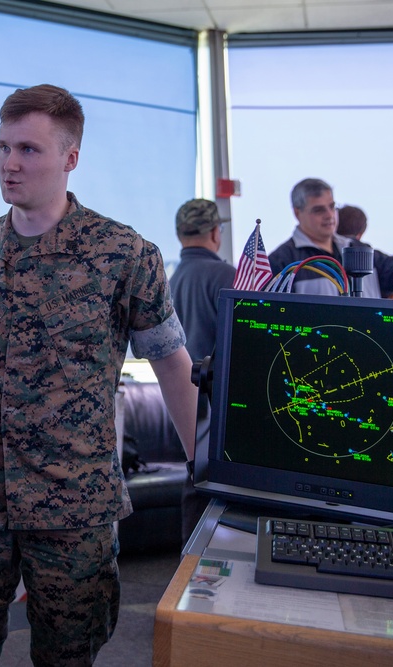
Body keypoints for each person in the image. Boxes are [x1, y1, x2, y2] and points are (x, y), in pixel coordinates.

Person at [0, 84, 198, 667]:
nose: (10, 163)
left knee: (68, 656)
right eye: (3, 147)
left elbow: (171, 367)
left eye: (29, 150)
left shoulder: (123, 255)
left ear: (70, 157)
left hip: (73, 503)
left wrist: (204, 469)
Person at [168, 198, 235, 543]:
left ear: (180, 235)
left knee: (195, 482)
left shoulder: (170, 279)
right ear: (214, 232)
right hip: (219, 405)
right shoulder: (226, 275)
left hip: (184, 402)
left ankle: (188, 567)